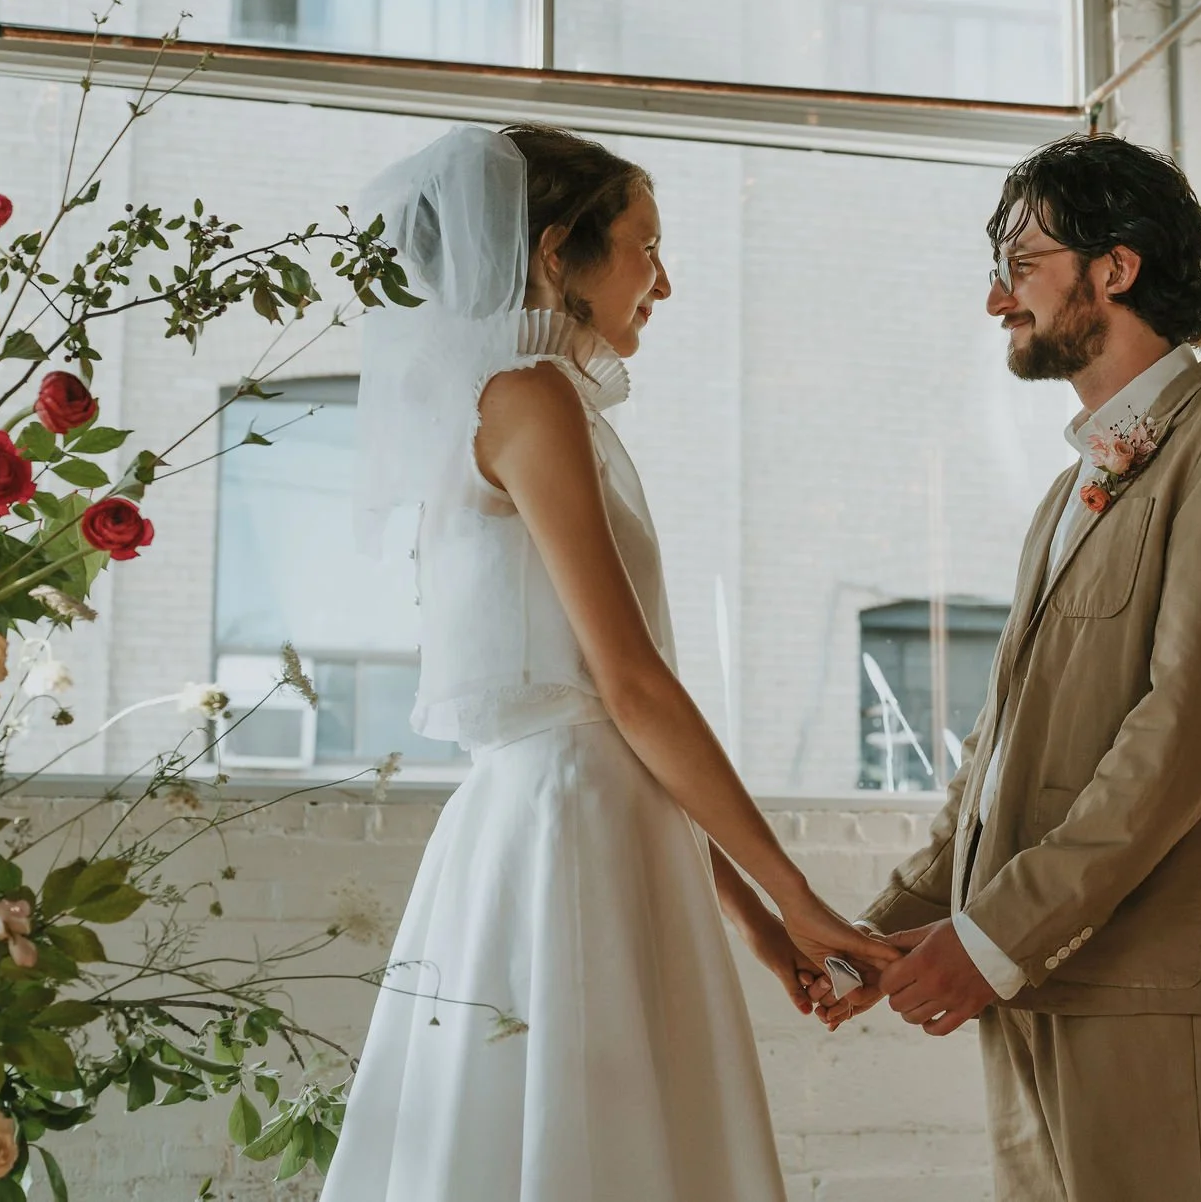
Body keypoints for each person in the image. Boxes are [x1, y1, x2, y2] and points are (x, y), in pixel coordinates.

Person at [321, 124, 891, 1201]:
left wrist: (763, 926)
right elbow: (627, 689)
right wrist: (798, 893)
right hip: (567, 825)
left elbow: (612, 718)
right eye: (643, 246)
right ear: (552, 253)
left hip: (583, 817)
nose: (662, 282)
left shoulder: (531, 401)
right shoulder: (526, 396)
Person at [823, 133, 1201, 1202]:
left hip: (1157, 992)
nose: (997, 300)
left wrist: (995, 935)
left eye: (1020, 264)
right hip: (1034, 985)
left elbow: (1180, 732)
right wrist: (866, 937)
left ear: (1114, 266)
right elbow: (1000, 754)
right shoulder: (1069, 493)